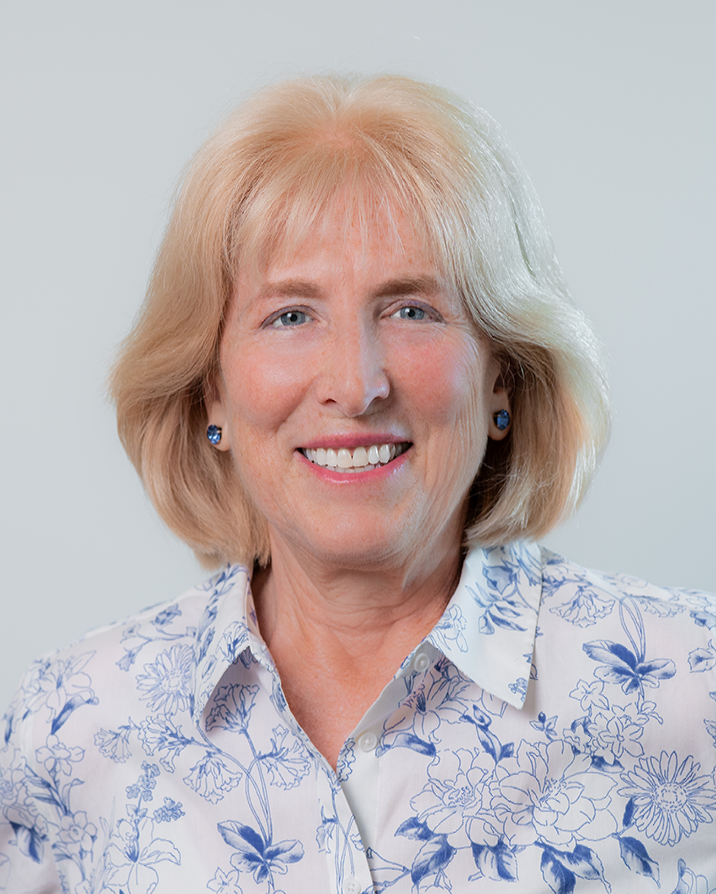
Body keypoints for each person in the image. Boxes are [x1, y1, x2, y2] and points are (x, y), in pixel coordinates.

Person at [1, 73, 714, 894]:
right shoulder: (75, 722)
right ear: (212, 392)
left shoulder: (696, 683)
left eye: (411, 310)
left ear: (502, 380)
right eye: (290, 315)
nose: (357, 382)